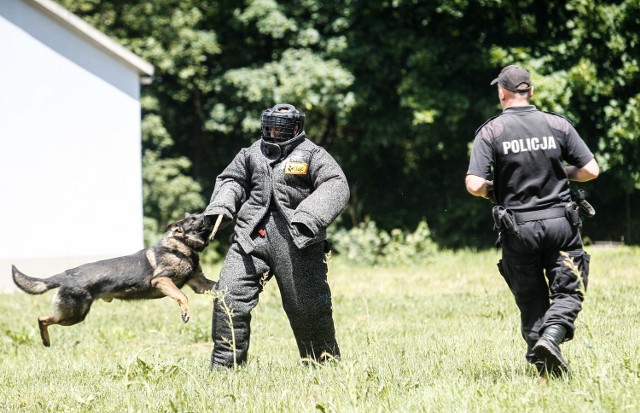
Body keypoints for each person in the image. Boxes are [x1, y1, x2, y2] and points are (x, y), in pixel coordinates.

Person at [465, 65, 599, 377]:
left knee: (531, 300)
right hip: (561, 225)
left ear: (502, 93)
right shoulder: (557, 124)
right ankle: (552, 340)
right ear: (531, 92)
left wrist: (494, 190)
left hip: (518, 229)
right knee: (569, 292)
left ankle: (543, 366)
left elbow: (474, 184)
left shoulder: (491, 131)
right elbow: (591, 170)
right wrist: (560, 172)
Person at [203, 103, 349, 368]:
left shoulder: (312, 154)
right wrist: (222, 205)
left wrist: (309, 217)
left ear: (295, 128)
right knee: (228, 297)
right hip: (250, 239)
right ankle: (225, 370)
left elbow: (335, 184)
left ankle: (323, 367)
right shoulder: (251, 154)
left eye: (278, 129)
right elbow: (231, 180)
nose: (272, 133)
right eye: (268, 128)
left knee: (307, 308)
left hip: (298, 241)